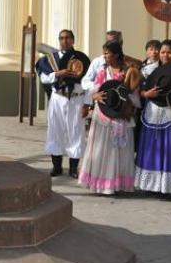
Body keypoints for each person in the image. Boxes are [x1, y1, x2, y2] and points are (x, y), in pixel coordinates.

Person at [79, 41, 141, 194]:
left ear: (117, 54)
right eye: (104, 53)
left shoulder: (129, 72)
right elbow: (94, 91)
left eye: (107, 53)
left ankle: (119, 184)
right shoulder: (102, 72)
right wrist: (96, 96)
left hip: (122, 115)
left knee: (119, 150)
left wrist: (128, 103)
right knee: (103, 150)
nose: (105, 56)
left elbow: (134, 95)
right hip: (104, 116)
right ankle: (103, 184)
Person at [135, 39, 171, 194]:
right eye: (163, 52)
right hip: (153, 111)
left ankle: (170, 186)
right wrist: (146, 93)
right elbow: (136, 90)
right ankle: (150, 185)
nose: (166, 55)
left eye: (169, 52)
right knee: (152, 146)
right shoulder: (148, 70)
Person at [36, 30, 90, 178]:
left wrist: (87, 104)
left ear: (73, 40)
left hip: (76, 98)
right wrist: (58, 74)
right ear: (58, 40)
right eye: (62, 38)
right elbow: (44, 78)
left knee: (76, 131)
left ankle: (73, 169)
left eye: (68, 38)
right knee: (55, 131)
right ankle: (57, 167)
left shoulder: (82, 59)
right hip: (58, 97)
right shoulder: (50, 60)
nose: (64, 41)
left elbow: (89, 83)